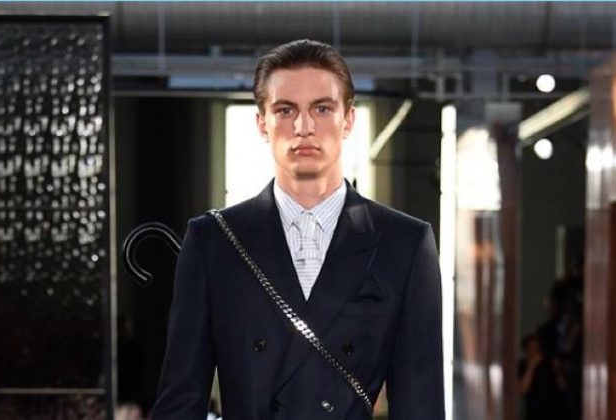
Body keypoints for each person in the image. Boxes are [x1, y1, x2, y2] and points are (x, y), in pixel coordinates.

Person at [151, 39, 444, 420]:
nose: (304, 127)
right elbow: (179, 403)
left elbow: (421, 406)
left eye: (322, 109)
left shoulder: (403, 243)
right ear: (262, 123)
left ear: (348, 120)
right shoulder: (214, 241)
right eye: (285, 110)